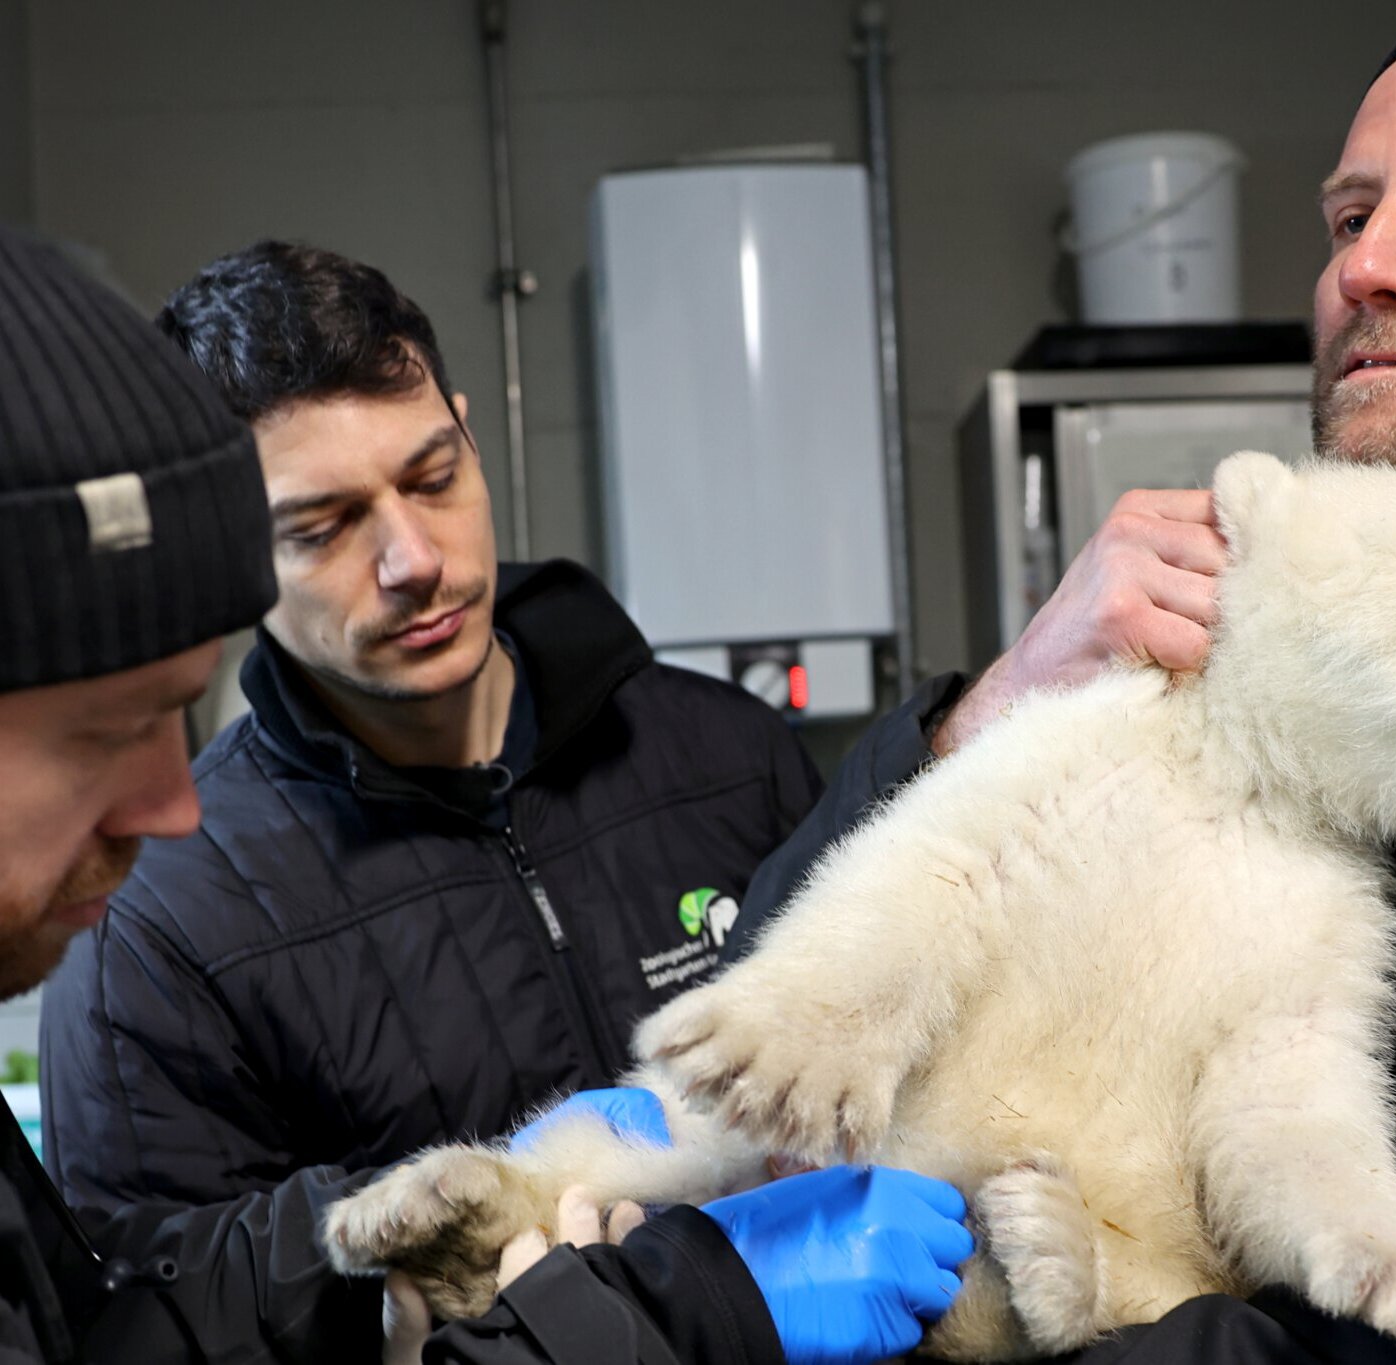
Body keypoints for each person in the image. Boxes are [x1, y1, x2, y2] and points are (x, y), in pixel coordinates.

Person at [735, 4, 1396, 1363]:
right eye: (1348, 220)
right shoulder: (1239, 629)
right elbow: (777, 1054)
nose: (1372, 267)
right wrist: (990, 711)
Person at [0, 227, 973, 1364]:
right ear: (231, 551)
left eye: (433, 477)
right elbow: (154, 1331)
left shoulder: (725, 753)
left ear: (467, 430)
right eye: (320, 527)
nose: (411, 557)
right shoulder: (164, 920)